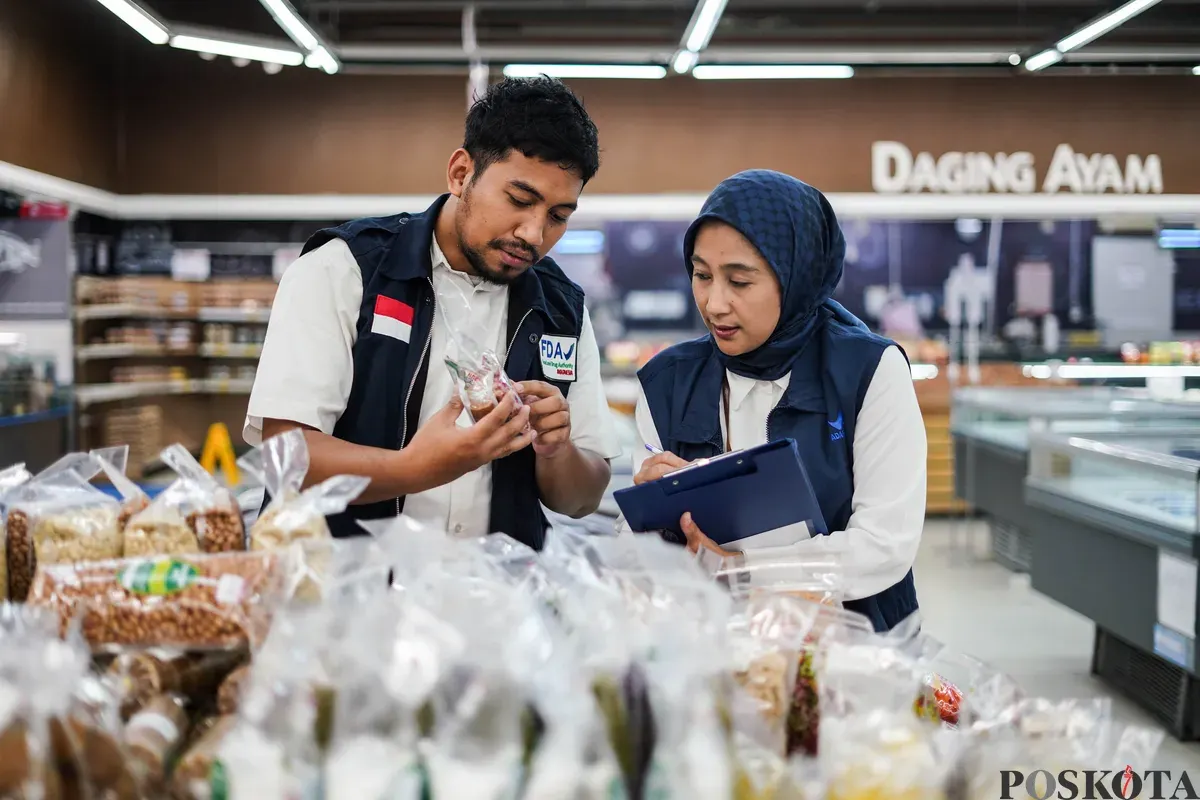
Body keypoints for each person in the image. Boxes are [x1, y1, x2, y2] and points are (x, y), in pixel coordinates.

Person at [244, 76, 620, 550]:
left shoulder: (561, 308)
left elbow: (582, 499)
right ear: (461, 173)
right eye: (520, 201)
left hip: (494, 606)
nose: (534, 233)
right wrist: (414, 469)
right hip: (344, 600)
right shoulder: (343, 270)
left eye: (559, 216)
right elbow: (285, 457)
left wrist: (557, 449)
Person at [629, 169, 926, 632]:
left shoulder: (869, 371)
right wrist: (648, 523)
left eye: (740, 282)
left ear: (796, 276)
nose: (714, 304)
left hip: (856, 652)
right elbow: (651, 558)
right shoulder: (666, 384)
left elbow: (883, 545)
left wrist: (743, 570)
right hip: (716, 650)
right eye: (702, 275)